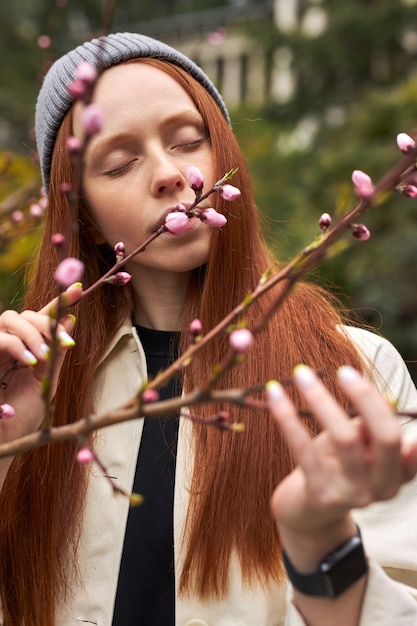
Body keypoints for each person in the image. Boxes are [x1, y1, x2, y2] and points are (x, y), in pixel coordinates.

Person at [0, 32, 416, 626]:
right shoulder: (27, 384)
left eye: (189, 141)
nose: (171, 174)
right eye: (119, 163)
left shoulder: (351, 375)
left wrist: (326, 546)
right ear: (83, 219)